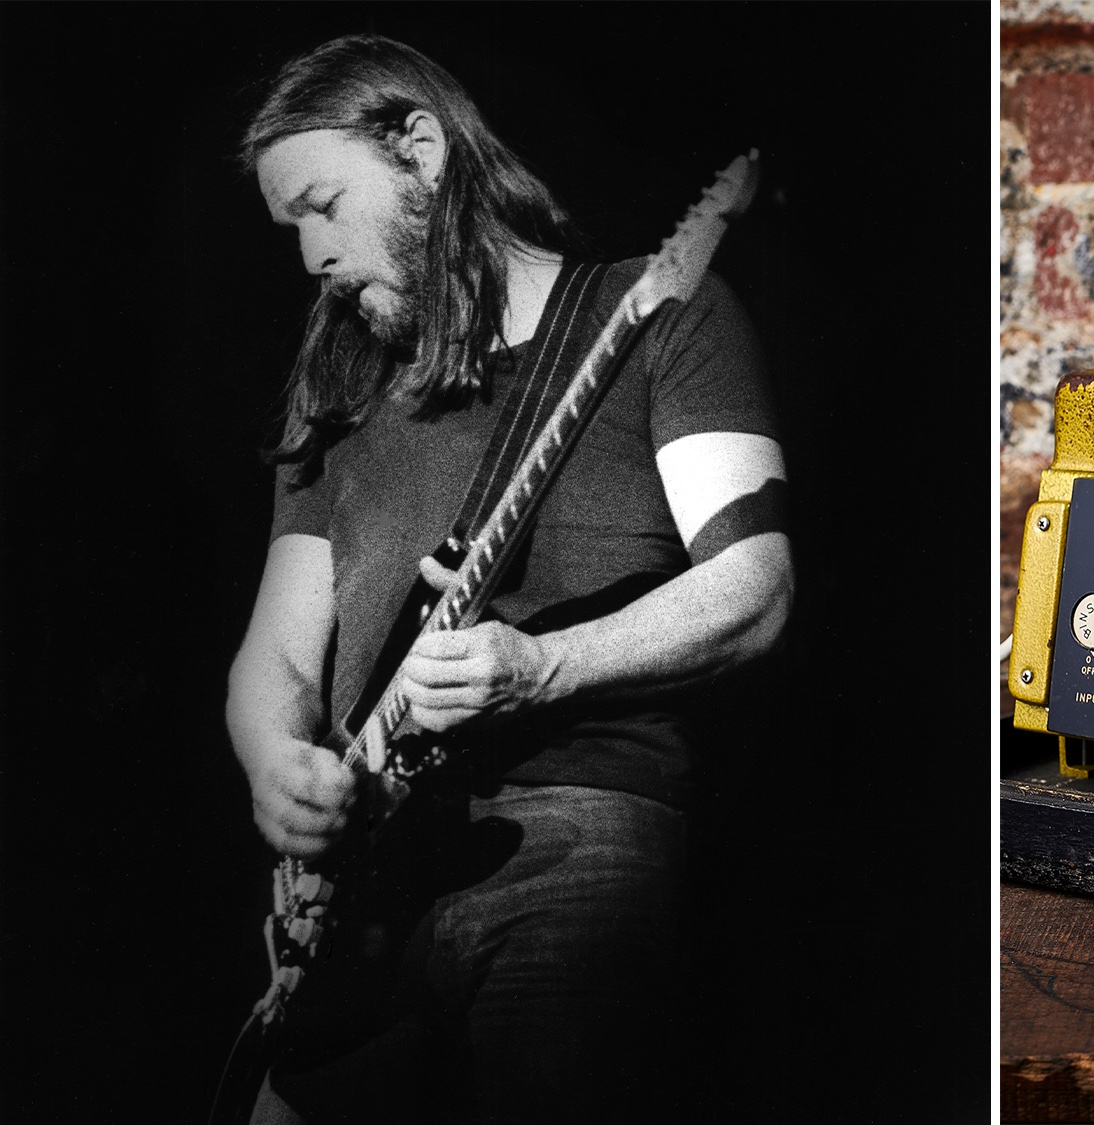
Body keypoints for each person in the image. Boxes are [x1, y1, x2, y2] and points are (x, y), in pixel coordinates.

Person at [224, 34, 791, 1123]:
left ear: (424, 151)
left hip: (571, 839)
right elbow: (277, 655)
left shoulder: (659, 314)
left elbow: (754, 583)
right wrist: (273, 764)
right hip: (357, 899)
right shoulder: (339, 393)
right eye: (289, 225)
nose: (312, 257)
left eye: (324, 204)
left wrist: (539, 666)